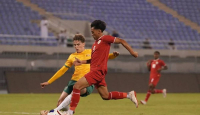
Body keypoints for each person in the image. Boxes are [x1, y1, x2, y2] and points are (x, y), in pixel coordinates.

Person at [66, 20, 139, 115]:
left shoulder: (105, 38)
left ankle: (70, 111)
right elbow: (94, 59)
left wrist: (132, 52)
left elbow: (121, 41)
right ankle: (129, 95)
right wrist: (82, 62)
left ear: (99, 31)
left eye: (93, 32)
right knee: (106, 96)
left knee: (76, 86)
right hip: (97, 71)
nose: (92, 34)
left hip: (97, 71)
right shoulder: (95, 44)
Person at [40, 34, 119, 110]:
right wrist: (49, 82)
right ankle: (67, 112)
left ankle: (68, 110)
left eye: (78, 44)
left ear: (83, 44)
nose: (76, 47)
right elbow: (62, 70)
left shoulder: (90, 52)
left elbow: (105, 56)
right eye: (74, 45)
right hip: (73, 81)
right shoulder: (72, 56)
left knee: (75, 92)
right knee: (60, 103)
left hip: (87, 81)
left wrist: (113, 55)